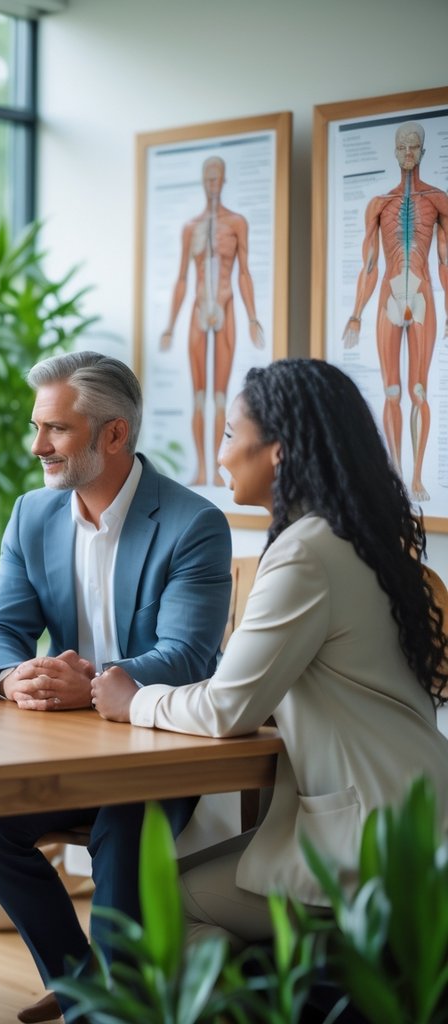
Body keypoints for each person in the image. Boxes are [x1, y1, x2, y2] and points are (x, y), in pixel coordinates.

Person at [93, 358, 448, 948]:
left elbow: (229, 708)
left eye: (232, 435)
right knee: (162, 888)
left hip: (374, 837)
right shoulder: (362, 539)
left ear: (278, 452)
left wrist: (134, 699)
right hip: (413, 811)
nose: (222, 453)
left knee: (157, 907)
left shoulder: (305, 553)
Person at [0, 351, 232, 1023]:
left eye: (55, 429)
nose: (37, 446)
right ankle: (87, 987)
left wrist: (93, 687)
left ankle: (109, 1009)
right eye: (38, 428)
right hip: (66, 751)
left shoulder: (192, 523)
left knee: (124, 827)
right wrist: (13, 675)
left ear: (113, 434)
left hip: (158, 745)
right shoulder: (33, 515)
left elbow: (189, 653)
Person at [342, 121, 448, 502]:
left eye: (414, 146)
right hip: (389, 295)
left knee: (418, 390)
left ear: (422, 151)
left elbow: (444, 260)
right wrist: (356, 312)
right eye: (402, 145)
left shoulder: (437, 200)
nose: (407, 151)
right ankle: (398, 475)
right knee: (391, 390)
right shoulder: (378, 205)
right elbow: (369, 267)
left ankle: (417, 478)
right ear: (394, 150)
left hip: (421, 296)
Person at [161, 155, 266, 487]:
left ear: (224, 181)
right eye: (207, 179)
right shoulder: (190, 228)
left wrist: (252, 317)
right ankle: (202, 469)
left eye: (217, 178)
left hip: (225, 306)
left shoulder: (236, 223)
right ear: (203, 182)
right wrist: (169, 324)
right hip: (197, 310)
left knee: (220, 396)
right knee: (198, 396)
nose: (212, 185)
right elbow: (181, 278)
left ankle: (217, 472)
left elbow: (245, 272)